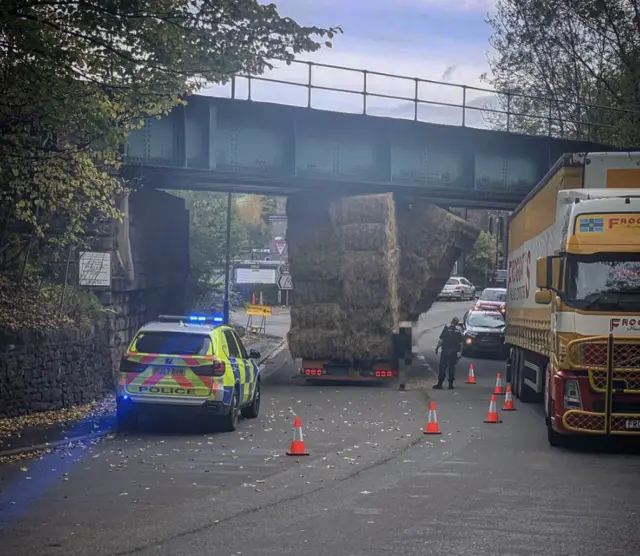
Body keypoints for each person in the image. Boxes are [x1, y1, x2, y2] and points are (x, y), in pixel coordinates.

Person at [434, 317, 463, 390]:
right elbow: (461, 343)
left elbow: (441, 340)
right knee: (452, 367)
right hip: (454, 352)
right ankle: (450, 384)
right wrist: (460, 352)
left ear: (451, 322)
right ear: (457, 323)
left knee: (443, 366)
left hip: (445, 350)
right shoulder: (458, 332)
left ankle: (440, 384)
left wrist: (437, 348)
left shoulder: (446, 329)